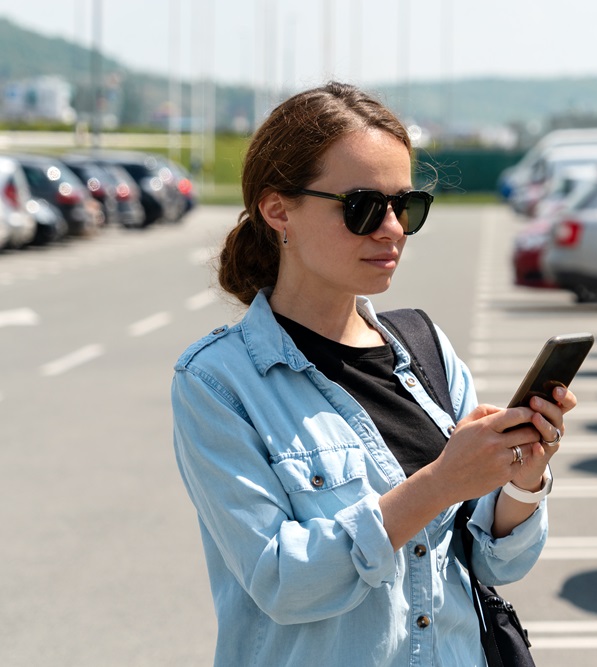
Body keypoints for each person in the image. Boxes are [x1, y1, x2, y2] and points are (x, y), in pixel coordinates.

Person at [171, 81, 576, 667]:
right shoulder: (218, 382)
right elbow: (283, 582)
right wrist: (439, 482)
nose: (390, 228)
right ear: (277, 208)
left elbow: (494, 563)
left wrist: (521, 480)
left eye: (405, 207)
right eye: (362, 207)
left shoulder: (425, 346)